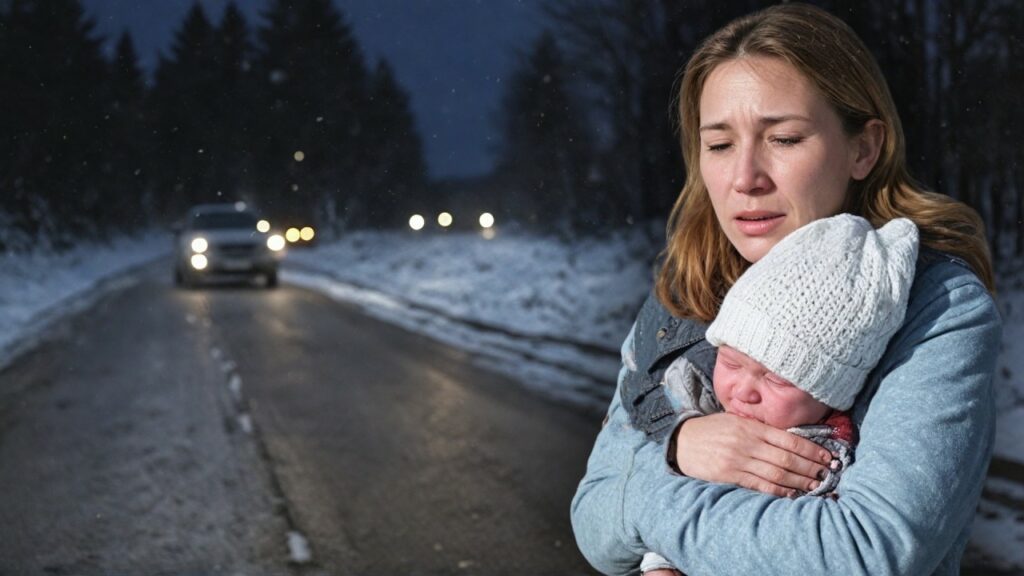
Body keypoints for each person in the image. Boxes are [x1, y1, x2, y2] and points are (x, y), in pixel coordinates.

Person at [569, 4, 1001, 576]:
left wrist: (644, 490)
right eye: (719, 145)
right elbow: (593, 526)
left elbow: (862, 553)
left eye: (785, 137)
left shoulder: (938, 305)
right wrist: (683, 443)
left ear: (864, 149)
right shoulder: (686, 293)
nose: (746, 177)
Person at [639, 213, 919, 575]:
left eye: (777, 380)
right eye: (732, 363)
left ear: (830, 394)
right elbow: (667, 502)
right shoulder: (700, 410)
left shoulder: (839, 462)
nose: (743, 391)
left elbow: (836, 548)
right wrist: (659, 564)